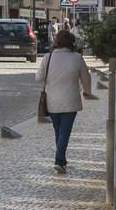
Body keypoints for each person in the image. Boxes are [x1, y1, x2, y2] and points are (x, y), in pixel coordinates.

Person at [37, 29, 91, 174]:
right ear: (71, 42)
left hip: (52, 101)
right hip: (70, 101)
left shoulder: (48, 58)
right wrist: (87, 92)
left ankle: (61, 160)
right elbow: (86, 77)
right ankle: (59, 160)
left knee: (59, 131)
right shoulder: (77, 58)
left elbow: (38, 78)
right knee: (64, 132)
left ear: (57, 42)